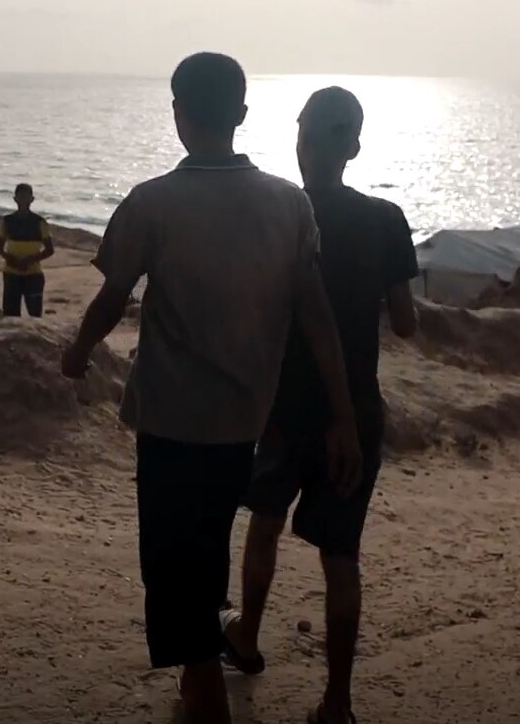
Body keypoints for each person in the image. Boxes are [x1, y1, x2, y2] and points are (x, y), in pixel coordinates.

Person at [61, 53, 363, 724]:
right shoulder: (289, 204)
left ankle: (205, 693)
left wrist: (78, 351)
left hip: (170, 423)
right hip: (241, 426)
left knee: (172, 567)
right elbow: (315, 316)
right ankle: (202, 665)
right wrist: (342, 414)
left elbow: (114, 296)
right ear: (243, 115)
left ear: (177, 114)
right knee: (203, 548)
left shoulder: (151, 202)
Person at [218, 87, 420, 724]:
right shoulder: (386, 219)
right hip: (356, 411)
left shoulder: (277, 213)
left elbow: (252, 311)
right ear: (354, 145)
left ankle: (247, 634)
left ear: (300, 139)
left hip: (284, 407)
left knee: (265, 521)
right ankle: (336, 701)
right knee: (341, 558)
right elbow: (409, 324)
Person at [0, 183, 55, 317]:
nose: (23, 200)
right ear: (15, 199)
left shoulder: (40, 222)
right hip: (11, 273)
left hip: (33, 274)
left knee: (35, 316)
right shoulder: (8, 221)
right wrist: (10, 259)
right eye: (20, 196)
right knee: (10, 316)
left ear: (32, 199)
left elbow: (50, 250)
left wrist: (30, 260)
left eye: (26, 196)